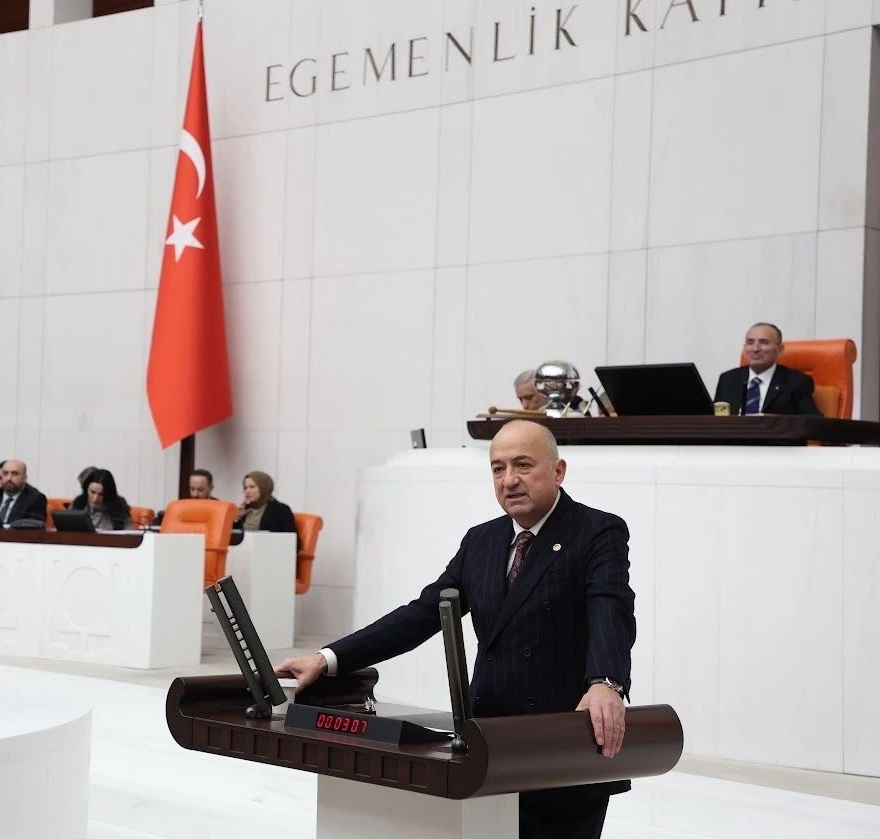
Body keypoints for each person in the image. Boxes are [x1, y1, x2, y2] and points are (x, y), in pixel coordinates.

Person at [275, 420, 635, 838]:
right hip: (487, 744)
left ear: (558, 471)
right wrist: (328, 658)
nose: (509, 479)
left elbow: (610, 607)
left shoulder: (597, 531)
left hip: (561, 746)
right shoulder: (481, 541)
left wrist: (605, 682)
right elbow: (421, 614)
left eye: (523, 465)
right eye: (498, 468)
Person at [714, 322, 821, 416]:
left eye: (764, 342)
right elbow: (713, 419)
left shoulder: (797, 382)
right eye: (750, 342)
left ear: (780, 349)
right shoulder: (728, 379)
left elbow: (811, 422)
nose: (755, 349)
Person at [0, 459, 48, 525]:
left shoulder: (35, 499)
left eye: (14, 474)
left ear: (25, 478)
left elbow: (34, 527)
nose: (9, 478)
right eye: (5, 473)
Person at [152, 469, 217, 526]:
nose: (195, 494)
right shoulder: (183, 507)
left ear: (210, 488)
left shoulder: (218, 509)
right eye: (192, 489)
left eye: (200, 490)